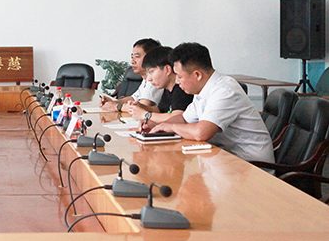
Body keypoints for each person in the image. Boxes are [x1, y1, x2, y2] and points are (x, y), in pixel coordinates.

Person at [147, 42, 275, 163]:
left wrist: (172, 127)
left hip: (251, 165)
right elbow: (184, 119)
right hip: (226, 158)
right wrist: (159, 126)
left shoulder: (224, 91)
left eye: (179, 76)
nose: (176, 81)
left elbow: (201, 133)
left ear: (197, 75)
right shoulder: (202, 91)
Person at [127, 46, 193, 124]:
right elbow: (161, 110)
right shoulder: (167, 88)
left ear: (167, 70)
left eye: (151, 71)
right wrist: (142, 107)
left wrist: (145, 115)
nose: (149, 78)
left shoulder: (182, 88)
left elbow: (177, 117)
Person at [100, 38, 163, 111]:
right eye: (132, 57)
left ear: (150, 58)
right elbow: (133, 98)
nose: (132, 61)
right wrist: (114, 102)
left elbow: (142, 107)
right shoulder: (146, 79)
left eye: (137, 57)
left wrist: (116, 106)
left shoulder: (155, 80)